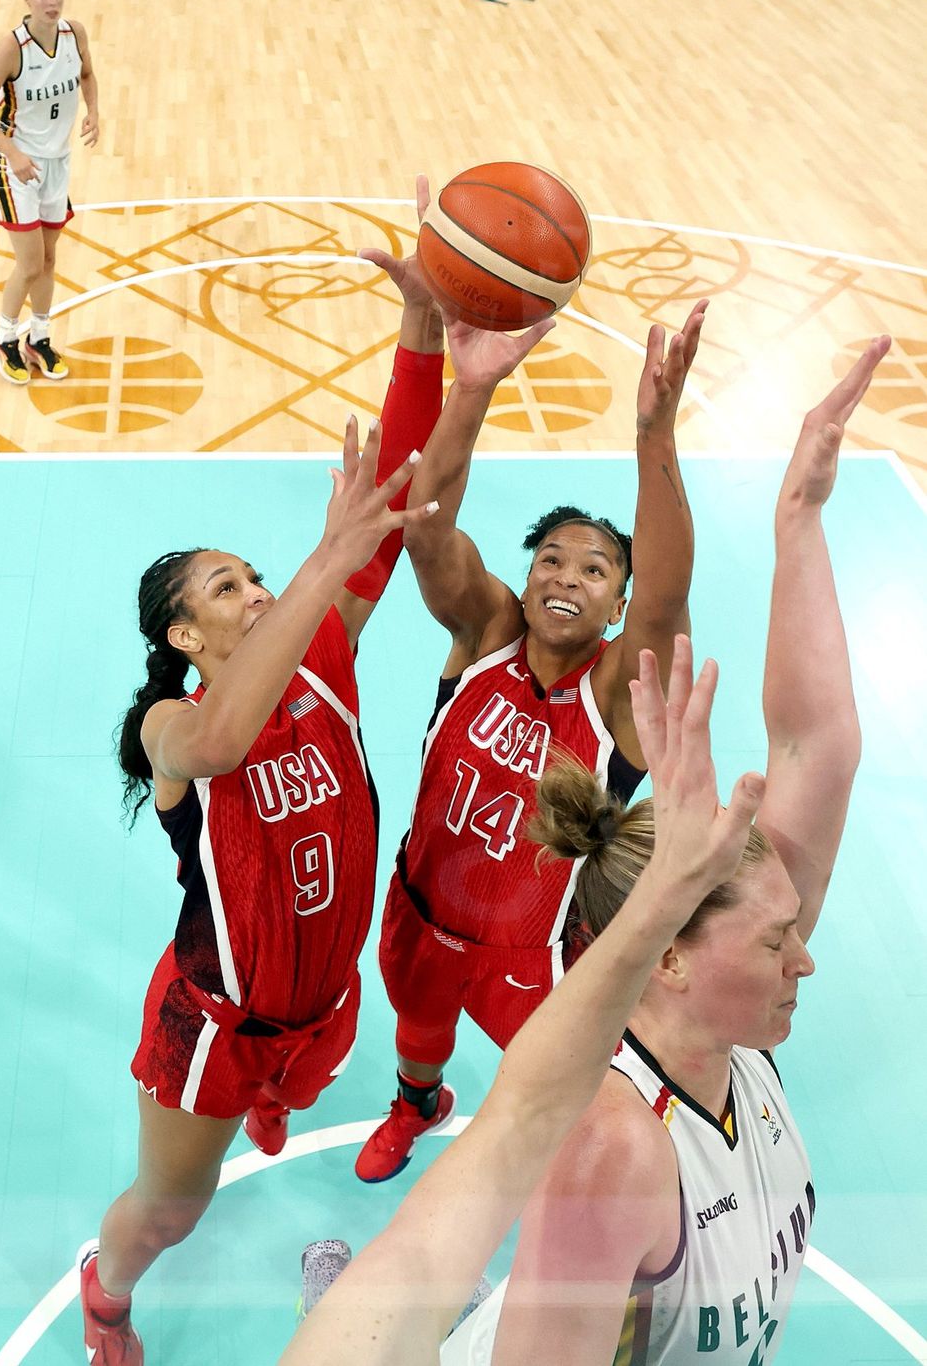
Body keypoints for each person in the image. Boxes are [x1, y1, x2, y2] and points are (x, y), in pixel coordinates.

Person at [74, 284, 547, 1365]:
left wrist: (431, 341)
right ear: (184, 635)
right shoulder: (169, 727)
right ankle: (106, 1292)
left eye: (256, 577)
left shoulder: (320, 657)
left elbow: (400, 495)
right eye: (226, 589)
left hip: (325, 1005)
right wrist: (328, 561)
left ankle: (282, 1097)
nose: (254, 592)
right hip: (217, 1022)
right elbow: (225, 743)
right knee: (168, 1211)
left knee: (305, 1076)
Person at [437, 335, 891, 1365]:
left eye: (787, 933)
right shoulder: (611, 1149)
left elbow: (817, 747)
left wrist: (799, 518)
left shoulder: (731, 1030)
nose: (805, 958)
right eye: (777, 941)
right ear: (670, 957)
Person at [281, 632, 769, 1366]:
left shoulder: (587, 693)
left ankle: (384, 1298)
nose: (800, 963)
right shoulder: (491, 647)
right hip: (434, 921)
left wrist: (668, 896)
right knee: (496, 1112)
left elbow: (515, 1130)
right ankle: (407, 1257)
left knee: (500, 1163)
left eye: (597, 573)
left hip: (518, 956)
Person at [356, 206, 708, 1182]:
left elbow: (668, 591)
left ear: (616, 604)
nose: (565, 576)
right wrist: (469, 386)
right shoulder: (485, 633)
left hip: (540, 949)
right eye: (550, 557)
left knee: (553, 1109)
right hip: (422, 904)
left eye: (594, 570)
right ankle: (417, 1101)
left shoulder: (619, 691)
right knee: (417, 1032)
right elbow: (426, 528)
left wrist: (654, 434)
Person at [0, 0, 99, 384]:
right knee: (29, 264)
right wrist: (13, 152)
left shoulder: (75, 34)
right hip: (17, 168)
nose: (52, 1)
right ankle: (4, 336)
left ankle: (38, 338)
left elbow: (87, 75)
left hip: (57, 163)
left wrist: (94, 111)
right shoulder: (12, 48)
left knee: (48, 258)